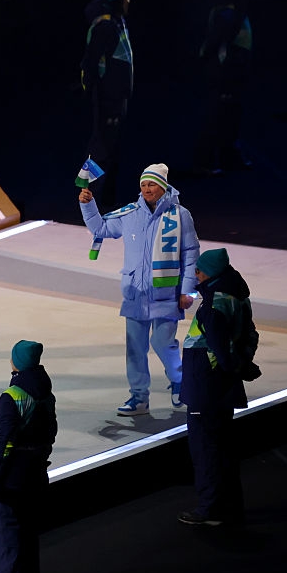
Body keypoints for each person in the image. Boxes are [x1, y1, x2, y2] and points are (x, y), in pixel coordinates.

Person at [79, 163, 200, 416]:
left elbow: (190, 254)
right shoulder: (130, 214)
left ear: (163, 186)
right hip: (135, 293)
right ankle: (139, 398)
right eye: (143, 184)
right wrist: (88, 204)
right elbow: (100, 228)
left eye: (152, 184)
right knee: (135, 349)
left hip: (167, 293)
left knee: (162, 343)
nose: (147, 189)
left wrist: (188, 290)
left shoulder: (180, 215)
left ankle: (179, 381)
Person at [179, 248, 255, 526]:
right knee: (224, 449)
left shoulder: (214, 304)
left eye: (198, 271)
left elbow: (220, 349)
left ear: (209, 273)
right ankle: (231, 506)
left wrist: (234, 366)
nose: (195, 275)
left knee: (206, 450)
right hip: (222, 386)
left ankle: (210, 509)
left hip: (206, 388)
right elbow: (250, 334)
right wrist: (244, 364)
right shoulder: (237, 297)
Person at [0, 340, 57, 573]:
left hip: (11, 482)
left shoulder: (12, 397)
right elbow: (51, 433)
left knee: (10, 542)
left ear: (15, 362)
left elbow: (2, 442)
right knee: (29, 539)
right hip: (35, 476)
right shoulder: (46, 392)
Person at [80, 0, 134, 210]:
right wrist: (98, 94)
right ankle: (87, 194)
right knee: (100, 149)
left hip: (116, 97)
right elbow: (91, 63)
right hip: (107, 97)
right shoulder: (106, 26)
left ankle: (108, 200)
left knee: (111, 149)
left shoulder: (116, 20)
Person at [196, 0, 253, 175]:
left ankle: (228, 156)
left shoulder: (232, 11)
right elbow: (217, 47)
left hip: (232, 72)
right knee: (217, 115)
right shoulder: (227, 14)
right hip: (225, 72)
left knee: (230, 115)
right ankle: (207, 159)